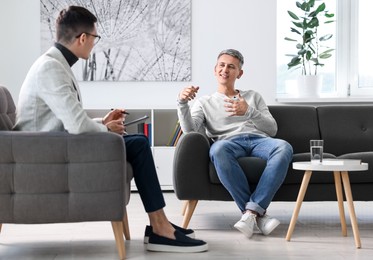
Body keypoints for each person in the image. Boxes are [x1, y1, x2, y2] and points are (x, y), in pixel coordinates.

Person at [14, 5, 207, 253]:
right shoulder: (50, 68)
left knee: (135, 142)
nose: (95, 43)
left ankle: (159, 224)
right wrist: (106, 130)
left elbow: (67, 118)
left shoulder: (54, 64)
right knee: (137, 144)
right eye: (95, 37)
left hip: (54, 144)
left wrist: (103, 124)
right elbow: (74, 125)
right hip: (46, 155)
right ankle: (159, 227)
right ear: (83, 38)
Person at [177, 49, 293, 238]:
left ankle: (250, 213)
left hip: (259, 140)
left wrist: (249, 111)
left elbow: (272, 130)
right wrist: (182, 103)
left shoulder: (253, 96)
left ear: (239, 73)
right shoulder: (204, 102)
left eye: (231, 66)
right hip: (228, 143)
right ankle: (257, 213)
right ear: (215, 70)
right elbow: (190, 131)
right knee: (218, 150)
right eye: (222, 65)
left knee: (283, 147)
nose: (225, 69)